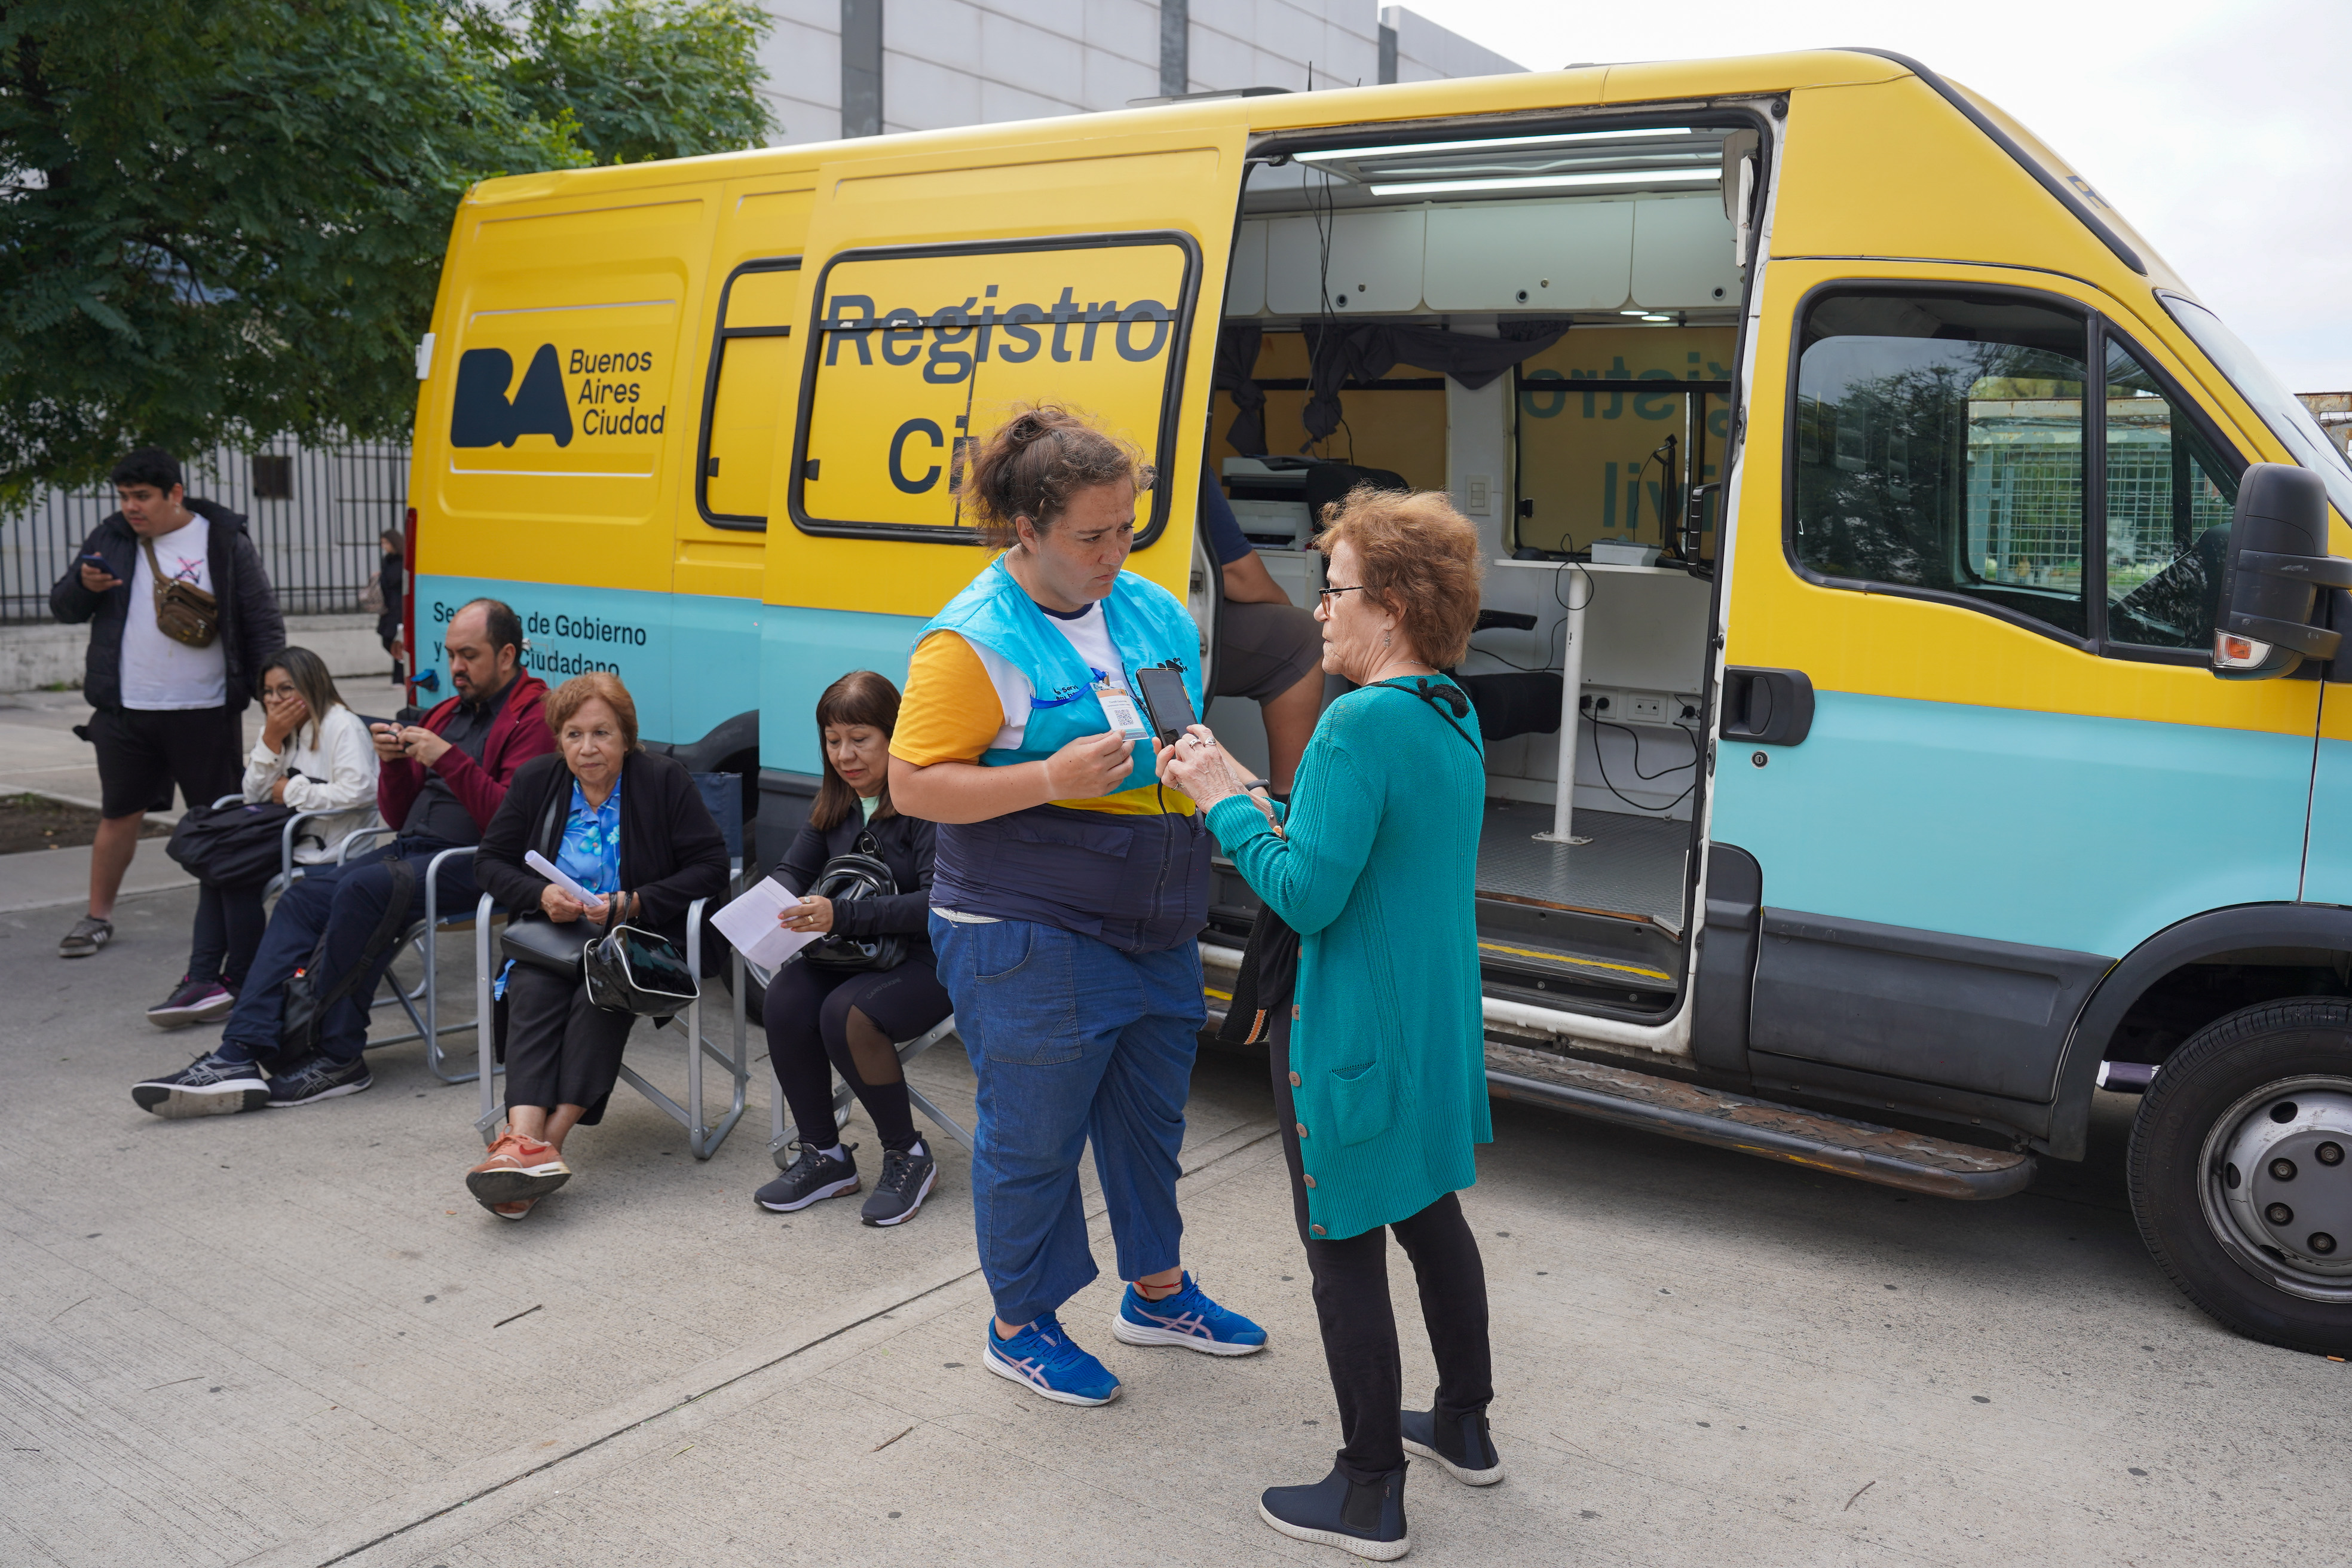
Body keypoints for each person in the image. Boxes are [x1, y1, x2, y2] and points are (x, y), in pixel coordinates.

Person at [890, 405, 1266, 1408]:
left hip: (1153, 913)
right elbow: (912, 785)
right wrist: (1048, 778)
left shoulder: (1151, 610)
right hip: (1027, 922)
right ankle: (1020, 1324)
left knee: (1149, 1121)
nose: (1115, 552)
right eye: (1092, 535)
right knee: (1035, 1138)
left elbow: (1183, 734)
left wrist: (1239, 787)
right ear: (1027, 530)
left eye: (1127, 528)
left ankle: (1158, 1294)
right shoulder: (973, 640)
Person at [1159, 486, 1497, 1561]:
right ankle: (1464, 1423)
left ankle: (1367, 1490)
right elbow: (1357, 849)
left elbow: (1305, 896)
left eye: (1335, 588)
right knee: (1429, 1215)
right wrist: (1255, 796)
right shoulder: (1447, 707)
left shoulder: (1355, 722)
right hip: (1425, 1026)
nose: (1317, 609)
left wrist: (1219, 803)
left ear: (1390, 605)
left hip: (1349, 1032)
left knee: (1341, 1249)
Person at [130, 598, 553, 1117]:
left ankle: (337, 1055)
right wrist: (393, 765)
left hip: (482, 864)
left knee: (361, 891)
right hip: (413, 852)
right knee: (304, 897)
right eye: (450, 655)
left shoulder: (534, 716)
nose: (456, 668)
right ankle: (238, 1051)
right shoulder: (446, 712)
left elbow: (510, 825)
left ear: (507, 655)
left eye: (470, 655)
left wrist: (448, 760)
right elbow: (397, 815)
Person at [465, 673, 730, 1218]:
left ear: (627, 738)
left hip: (635, 940)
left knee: (601, 993)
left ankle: (541, 1146)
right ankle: (525, 1142)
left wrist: (636, 901)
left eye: (602, 733)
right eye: (574, 735)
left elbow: (710, 866)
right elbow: (489, 862)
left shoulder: (663, 781)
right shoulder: (538, 781)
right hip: (555, 936)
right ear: (559, 740)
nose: (588, 748)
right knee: (530, 987)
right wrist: (540, 895)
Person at [48, 446, 284, 959]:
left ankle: (230, 923)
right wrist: (84, 587)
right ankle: (97, 917)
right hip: (125, 711)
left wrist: (275, 694)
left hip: (205, 710)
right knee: (119, 815)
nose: (131, 507)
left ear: (174, 493)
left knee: (219, 820)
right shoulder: (111, 537)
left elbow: (262, 620)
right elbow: (63, 607)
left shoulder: (222, 539)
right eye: (124, 496)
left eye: (142, 496)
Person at [755, 670, 954, 1227]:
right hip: (855, 952)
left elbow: (937, 903)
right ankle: (826, 1156)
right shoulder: (836, 804)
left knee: (847, 1013)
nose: (845, 755)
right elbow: (792, 871)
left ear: (895, 735)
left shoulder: (926, 800)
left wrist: (840, 915)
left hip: (929, 958)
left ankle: (908, 1154)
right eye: (833, 740)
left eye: (861, 739)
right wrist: (763, 909)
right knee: (786, 998)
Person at [146, 647, 381, 1027]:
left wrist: (291, 791)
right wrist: (271, 740)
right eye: (268, 692)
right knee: (218, 865)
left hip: (329, 849)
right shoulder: (280, 729)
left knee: (235, 873)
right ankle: (203, 978)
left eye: (285, 689)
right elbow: (253, 795)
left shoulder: (342, 725)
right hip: (285, 841)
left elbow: (361, 792)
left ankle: (237, 982)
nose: (275, 700)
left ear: (311, 685)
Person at [1199, 461, 1325, 794]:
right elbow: (1241, 575)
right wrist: (1283, 605)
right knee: (1302, 637)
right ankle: (1290, 802)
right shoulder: (1190, 459)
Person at [376, 525, 406, 684]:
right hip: (389, 607)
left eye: (386, 543)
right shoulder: (387, 560)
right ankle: (401, 673)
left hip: (400, 607)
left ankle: (399, 678)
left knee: (398, 641)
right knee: (387, 640)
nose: (384, 546)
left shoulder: (404, 560)